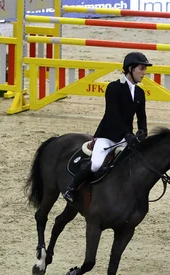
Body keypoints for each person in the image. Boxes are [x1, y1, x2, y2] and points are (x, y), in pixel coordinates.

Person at [62, 51, 152, 203]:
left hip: (126, 137)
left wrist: (143, 130)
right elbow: (112, 114)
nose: (144, 73)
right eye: (141, 69)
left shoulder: (140, 93)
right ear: (130, 69)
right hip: (107, 136)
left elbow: (141, 116)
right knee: (96, 164)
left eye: (145, 69)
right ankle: (71, 188)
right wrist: (126, 134)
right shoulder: (114, 88)